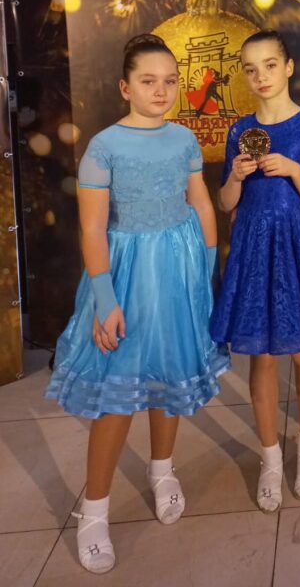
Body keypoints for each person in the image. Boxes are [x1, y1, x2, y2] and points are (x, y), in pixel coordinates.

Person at [45, 34, 229, 574]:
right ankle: (94, 513)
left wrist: (206, 269)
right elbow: (92, 228)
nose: (161, 90)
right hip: (126, 275)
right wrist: (105, 299)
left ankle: (162, 470)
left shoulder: (184, 139)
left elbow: (200, 201)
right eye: (149, 81)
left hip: (179, 269)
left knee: (169, 376)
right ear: (125, 87)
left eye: (170, 81)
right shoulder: (104, 147)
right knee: (119, 392)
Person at [210, 31, 300, 512]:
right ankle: (269, 456)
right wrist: (235, 176)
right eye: (251, 69)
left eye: (269, 65)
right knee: (261, 356)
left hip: (296, 246)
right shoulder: (239, 130)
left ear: (288, 67)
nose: (261, 76)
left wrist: (293, 170)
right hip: (252, 247)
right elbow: (226, 202)